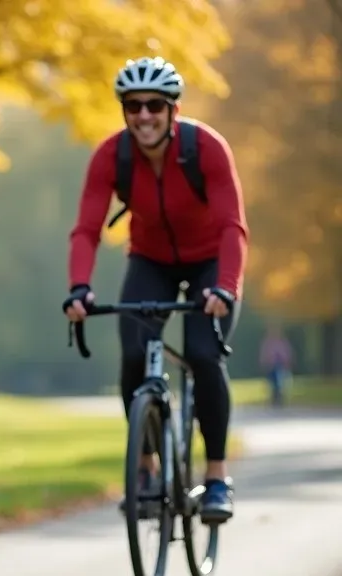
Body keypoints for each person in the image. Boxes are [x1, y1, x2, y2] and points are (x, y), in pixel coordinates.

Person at [61, 56, 248, 524]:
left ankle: (218, 477)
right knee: (132, 353)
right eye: (133, 106)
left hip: (210, 262)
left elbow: (232, 226)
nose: (143, 115)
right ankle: (147, 468)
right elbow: (86, 229)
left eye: (154, 106)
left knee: (204, 355)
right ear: (124, 111)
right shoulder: (112, 156)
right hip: (151, 261)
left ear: (172, 110)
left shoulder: (206, 148)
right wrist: (79, 288)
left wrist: (225, 288)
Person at [259, 323, 293, 407]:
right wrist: (263, 361)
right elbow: (264, 353)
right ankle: (274, 398)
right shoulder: (268, 342)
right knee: (272, 382)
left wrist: (287, 361)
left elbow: (286, 353)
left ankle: (279, 397)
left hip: (280, 365)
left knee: (279, 381)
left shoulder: (282, 342)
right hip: (270, 365)